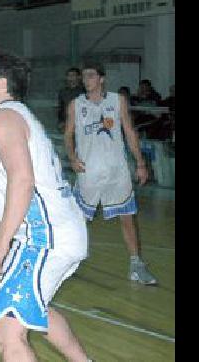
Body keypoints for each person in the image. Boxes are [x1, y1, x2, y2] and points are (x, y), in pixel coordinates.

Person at [0, 51, 90, 362]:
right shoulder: (15, 114)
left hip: (44, 237)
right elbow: (35, 178)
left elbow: (23, 180)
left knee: (8, 330)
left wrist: (1, 244)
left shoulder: (3, 119)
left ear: (0, 82)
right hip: (57, 230)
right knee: (36, 308)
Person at [64, 63, 157, 285]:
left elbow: (129, 131)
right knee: (79, 219)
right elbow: (68, 134)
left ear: (102, 79)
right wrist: (72, 157)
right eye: (84, 76)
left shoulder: (118, 100)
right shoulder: (76, 105)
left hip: (117, 170)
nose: (86, 80)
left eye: (90, 75)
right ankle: (66, 258)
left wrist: (141, 163)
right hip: (89, 171)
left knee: (127, 218)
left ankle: (136, 265)